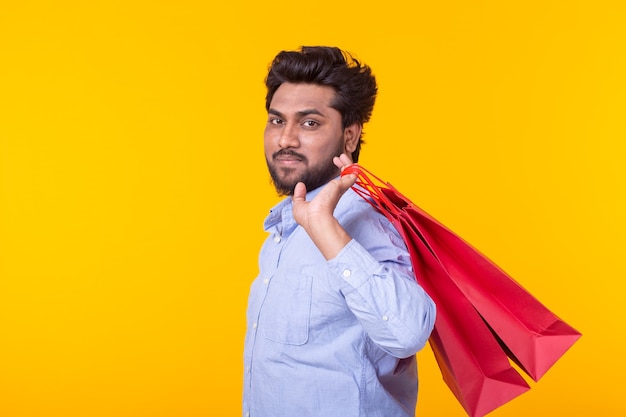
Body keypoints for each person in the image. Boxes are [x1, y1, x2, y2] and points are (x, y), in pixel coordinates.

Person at [243, 46, 436, 417]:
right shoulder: (283, 231)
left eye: (310, 123)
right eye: (277, 120)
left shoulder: (369, 224)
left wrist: (324, 227)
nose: (285, 139)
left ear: (350, 137)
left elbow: (409, 332)